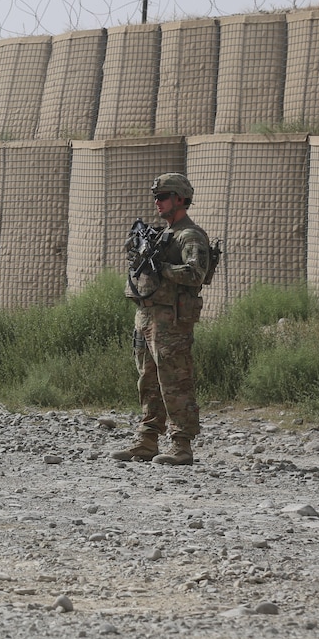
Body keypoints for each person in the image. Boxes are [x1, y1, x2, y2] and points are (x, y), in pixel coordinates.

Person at [113, 173, 211, 466]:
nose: (158, 202)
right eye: (156, 197)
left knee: (175, 380)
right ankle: (147, 439)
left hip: (172, 319)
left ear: (180, 199)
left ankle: (182, 445)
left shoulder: (190, 236)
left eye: (164, 196)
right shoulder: (160, 235)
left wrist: (162, 267)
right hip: (147, 315)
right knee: (149, 380)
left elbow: (196, 274)